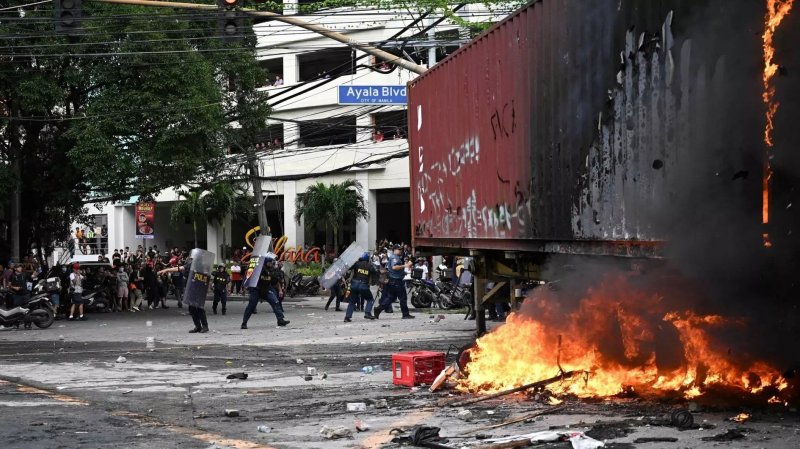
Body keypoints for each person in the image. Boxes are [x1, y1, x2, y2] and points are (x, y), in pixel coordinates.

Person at [158, 255, 208, 333]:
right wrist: (167, 270)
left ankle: (205, 326)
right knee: (192, 309)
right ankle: (198, 326)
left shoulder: (202, 267)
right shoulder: (190, 265)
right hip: (191, 289)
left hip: (198, 289)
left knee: (200, 308)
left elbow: (205, 277)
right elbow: (178, 268)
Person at [241, 255, 289, 329]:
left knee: (275, 302)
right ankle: (244, 323)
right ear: (265, 262)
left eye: (271, 262)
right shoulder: (258, 269)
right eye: (269, 262)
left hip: (266, 289)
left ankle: (280, 320)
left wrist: (280, 290)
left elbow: (276, 281)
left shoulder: (271, 270)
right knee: (251, 306)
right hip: (256, 289)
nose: (271, 264)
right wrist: (245, 287)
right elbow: (248, 274)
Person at [374, 245, 414, 319]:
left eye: (401, 249)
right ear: (394, 250)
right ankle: (405, 314)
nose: (401, 251)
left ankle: (378, 309)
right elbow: (394, 267)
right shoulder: (394, 257)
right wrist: (406, 265)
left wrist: (403, 272)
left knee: (391, 298)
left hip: (394, 281)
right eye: (399, 249)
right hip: (396, 281)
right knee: (402, 298)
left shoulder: (396, 257)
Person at [344, 252, 377, 322]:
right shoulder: (370, 265)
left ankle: (347, 317)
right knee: (370, 299)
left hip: (354, 285)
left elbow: (348, 268)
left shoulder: (357, 263)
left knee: (352, 302)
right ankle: (367, 313)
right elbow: (375, 273)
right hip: (363, 286)